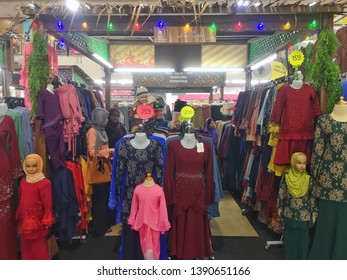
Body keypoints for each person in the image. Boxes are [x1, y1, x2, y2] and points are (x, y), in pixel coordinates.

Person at [308, 98, 347, 259]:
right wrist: (314, 179)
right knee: (326, 222)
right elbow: (317, 152)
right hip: (326, 182)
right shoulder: (324, 121)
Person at [277, 152, 317, 260]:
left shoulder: (309, 180)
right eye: (299, 163)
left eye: (304, 163)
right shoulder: (286, 178)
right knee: (290, 237)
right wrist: (280, 207)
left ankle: (301, 259)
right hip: (289, 213)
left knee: (303, 239)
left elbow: (312, 197)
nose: (302, 166)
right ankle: (288, 258)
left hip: (304, 215)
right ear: (293, 162)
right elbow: (282, 193)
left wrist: (314, 213)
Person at [16, 154, 55, 260]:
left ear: (39, 165)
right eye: (28, 166)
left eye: (34, 166)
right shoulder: (23, 181)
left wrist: (46, 219)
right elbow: (21, 198)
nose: (31, 169)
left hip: (37, 221)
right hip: (24, 220)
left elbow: (47, 202)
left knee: (39, 248)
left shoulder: (44, 183)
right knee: (26, 248)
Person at [128, 173, 170, 260]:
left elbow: (163, 209)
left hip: (155, 224)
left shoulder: (159, 190)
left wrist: (163, 223)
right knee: (144, 245)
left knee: (155, 246)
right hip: (142, 223)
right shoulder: (138, 189)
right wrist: (132, 219)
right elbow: (134, 206)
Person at [86, 107, 114, 237]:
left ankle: (103, 224)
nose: (107, 120)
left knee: (104, 197)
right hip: (98, 167)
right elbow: (92, 152)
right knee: (99, 198)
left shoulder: (101, 131)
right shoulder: (92, 132)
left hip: (104, 166)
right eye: (106, 117)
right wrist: (108, 152)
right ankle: (99, 228)